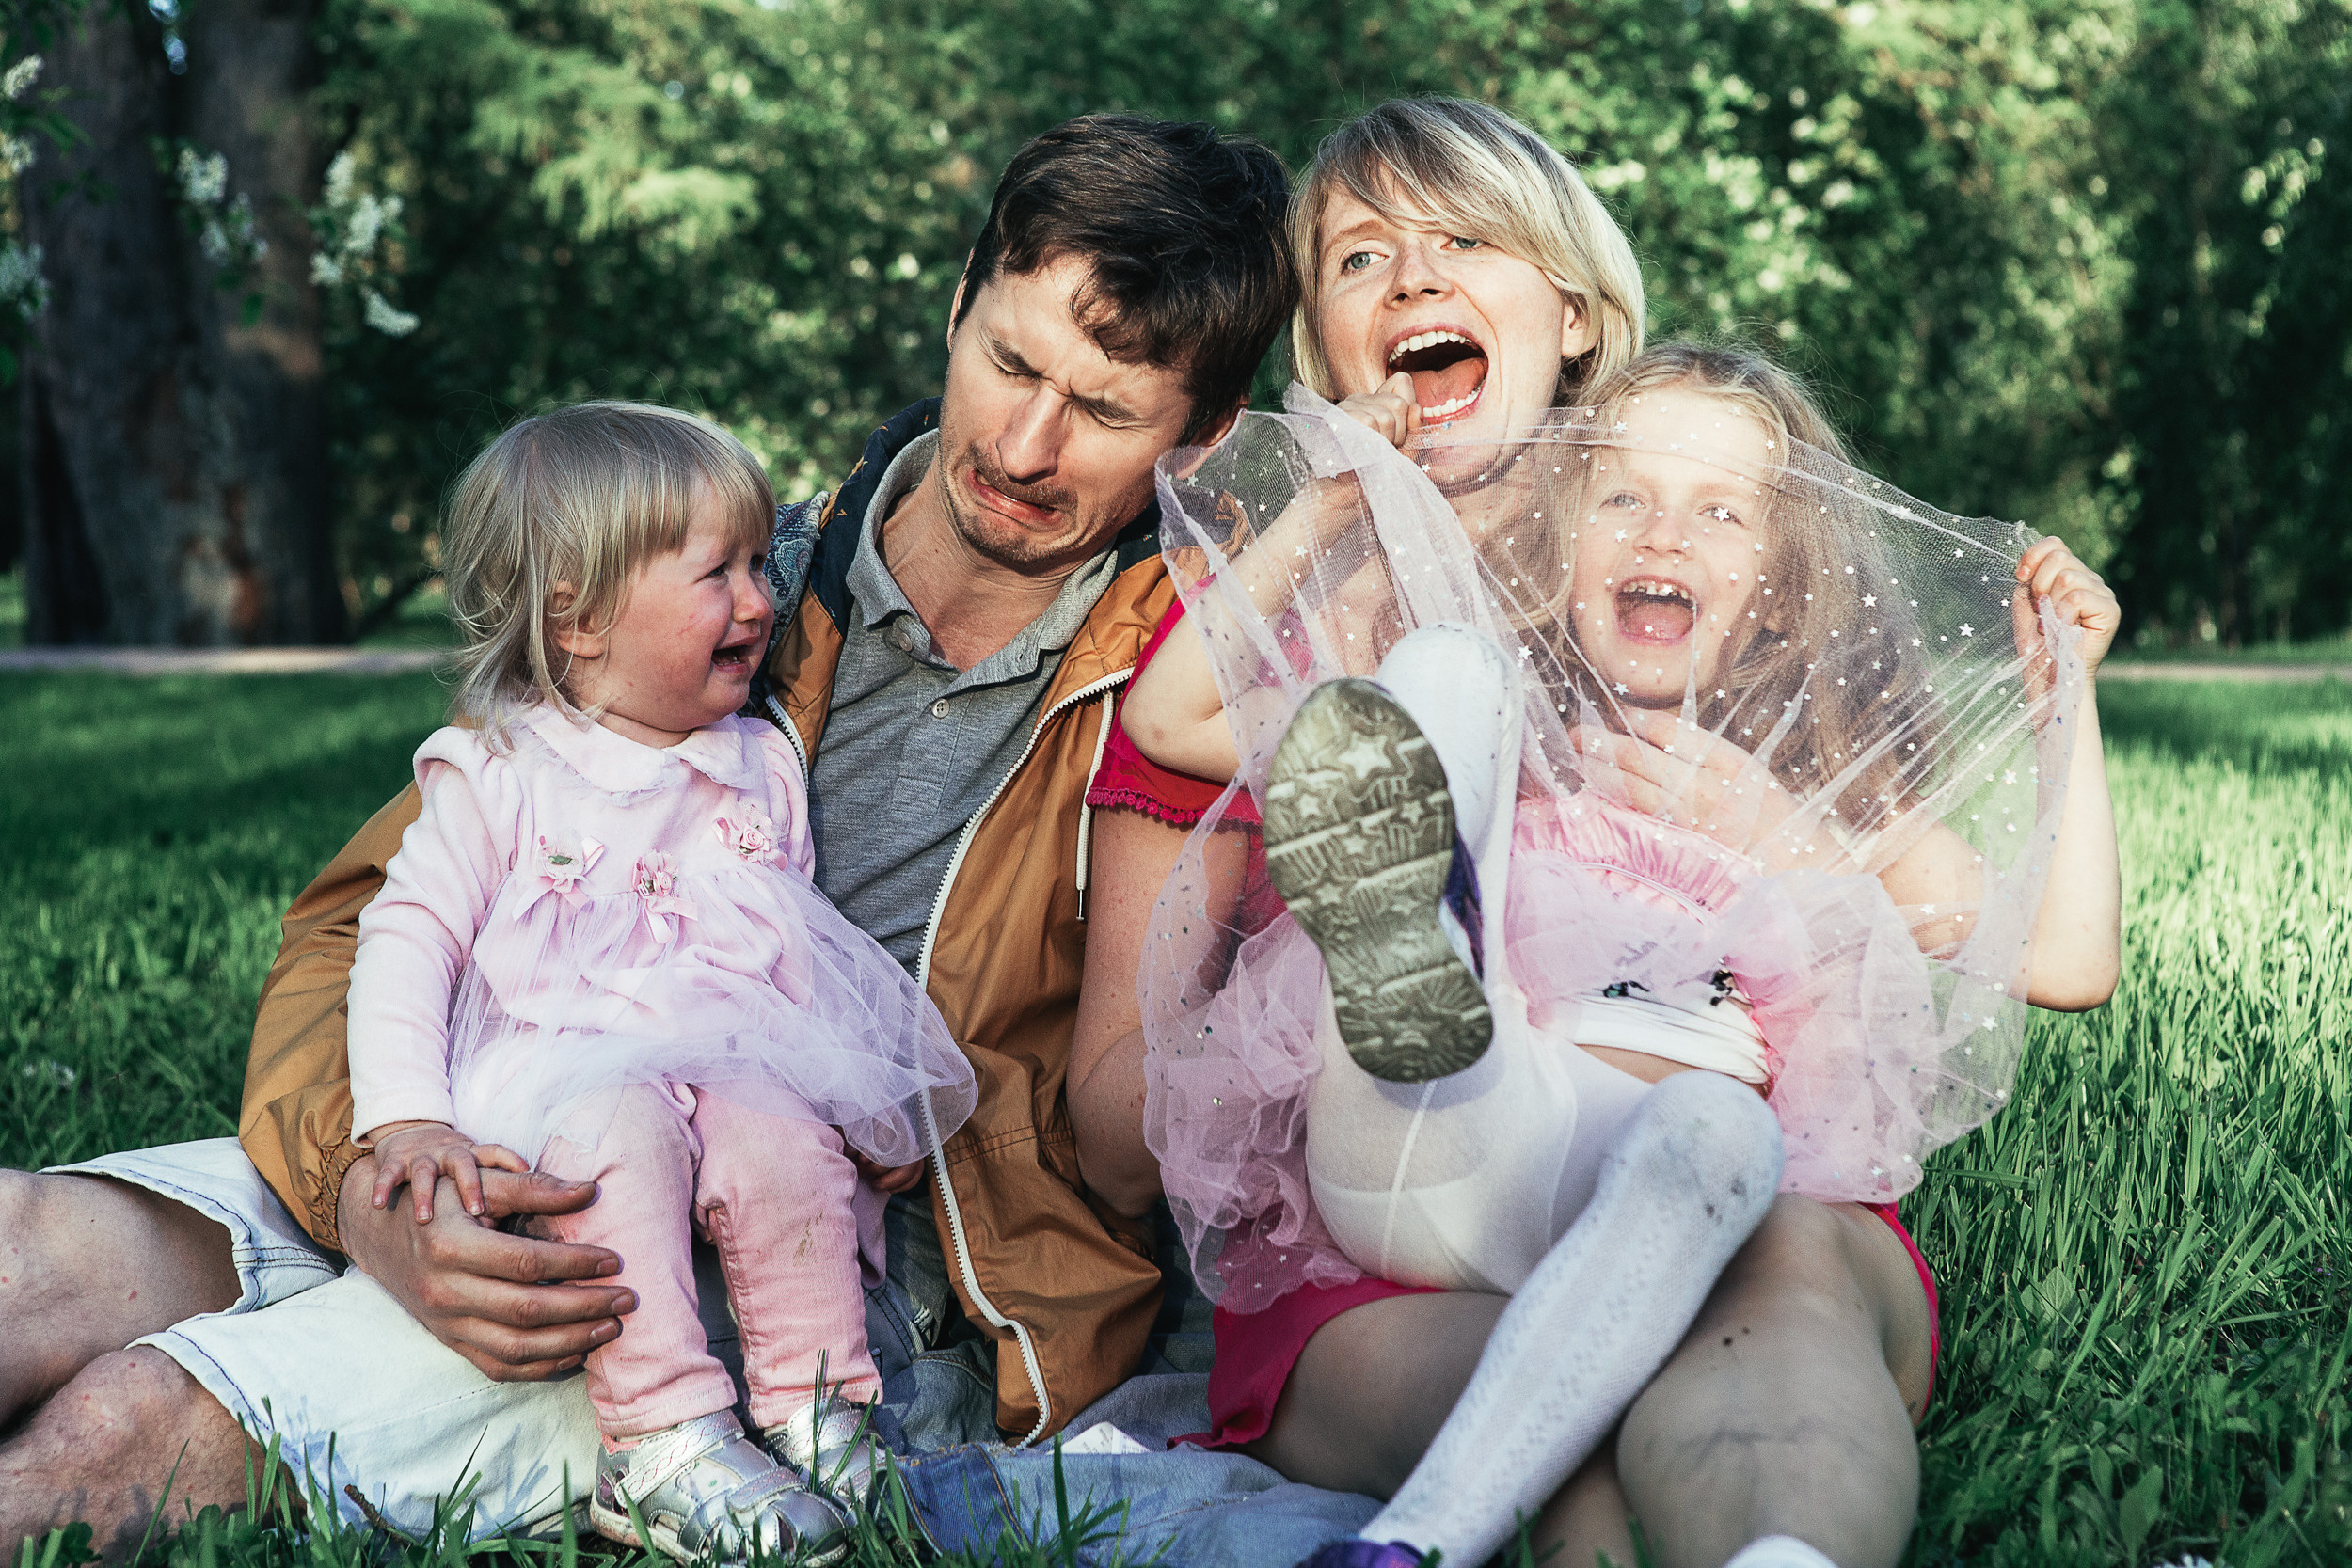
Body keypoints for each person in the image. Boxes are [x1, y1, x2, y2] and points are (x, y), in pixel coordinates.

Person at [0, 113, 1295, 1557]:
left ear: (1204, 434)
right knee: (22, 1251)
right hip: (507, 1120)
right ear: (958, 304)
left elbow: (1116, 1161)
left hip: (802, 1266)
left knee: (127, 1429)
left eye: (1107, 413)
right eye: (1009, 362)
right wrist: (377, 1183)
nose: (1024, 443)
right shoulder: (743, 579)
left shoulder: (1181, 697)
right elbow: (371, 915)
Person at [1069, 101, 2122, 1568]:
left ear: (1571, 310)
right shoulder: (1378, 627)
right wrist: (1336, 497)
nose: (1416, 279)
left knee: (1717, 1272)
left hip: (1736, 1208)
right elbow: (1182, 725)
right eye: (1363, 255)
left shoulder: (1779, 734)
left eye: (1463, 241)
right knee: (1443, 701)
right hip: (1436, 1200)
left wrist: (1935, 761)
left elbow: (2061, 954)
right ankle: (1427, 958)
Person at [343, 401, 980, 1560]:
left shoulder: (756, 765)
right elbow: (406, 936)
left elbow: (796, 951)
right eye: (717, 574)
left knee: (784, 1135)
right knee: (617, 1141)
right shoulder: (501, 765)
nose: (758, 599)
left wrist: (861, 1097)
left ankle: (817, 1406)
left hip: (731, 1048)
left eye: (757, 564)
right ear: (576, 620)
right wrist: (404, 1117)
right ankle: (660, 1437)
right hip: (558, 1065)